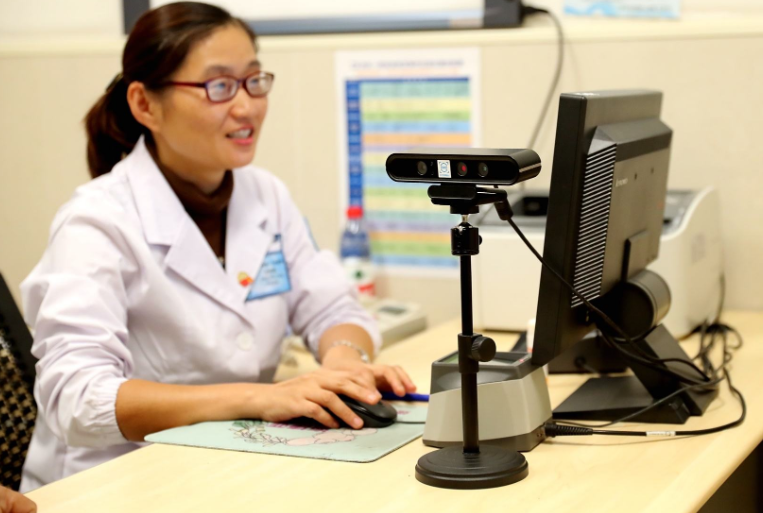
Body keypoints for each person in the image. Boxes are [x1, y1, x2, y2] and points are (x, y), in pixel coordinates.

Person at [19, 2, 416, 492]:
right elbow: (77, 400)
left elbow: (331, 306)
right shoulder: (97, 221)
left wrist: (344, 363)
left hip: (234, 464)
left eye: (254, 80)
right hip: (115, 481)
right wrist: (261, 398)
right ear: (145, 104)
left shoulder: (265, 194)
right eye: (219, 86)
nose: (246, 106)